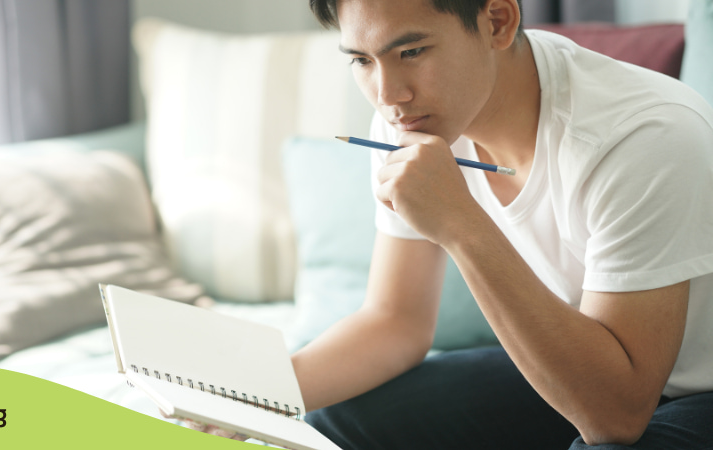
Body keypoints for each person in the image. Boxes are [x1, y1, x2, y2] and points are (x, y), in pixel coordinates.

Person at [284, 0, 713, 448]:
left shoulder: (641, 136)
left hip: (685, 391)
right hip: (588, 363)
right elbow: (396, 322)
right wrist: (254, 398)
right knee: (335, 422)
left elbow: (618, 416)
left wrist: (461, 224)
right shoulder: (407, 120)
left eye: (412, 52)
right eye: (362, 60)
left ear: (498, 21)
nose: (388, 95)